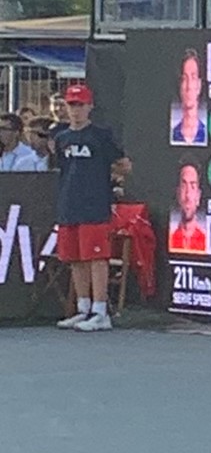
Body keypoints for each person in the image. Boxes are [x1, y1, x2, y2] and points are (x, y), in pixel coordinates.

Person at [50, 82, 129, 331]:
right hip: (69, 203)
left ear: (90, 107)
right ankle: (82, 309)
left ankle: (100, 311)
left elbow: (124, 164)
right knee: (75, 258)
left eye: (80, 105)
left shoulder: (100, 136)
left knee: (97, 258)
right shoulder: (61, 138)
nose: (75, 110)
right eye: (71, 105)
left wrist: (109, 175)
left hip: (95, 204)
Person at [169, 50, 207, 146]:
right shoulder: (174, 133)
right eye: (185, 79)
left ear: (199, 85)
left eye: (193, 78)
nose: (189, 86)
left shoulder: (206, 133)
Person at [168, 163, 208, 253]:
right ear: (178, 194)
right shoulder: (171, 239)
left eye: (192, 186)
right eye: (184, 186)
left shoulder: (205, 242)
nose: (188, 195)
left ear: (198, 196)